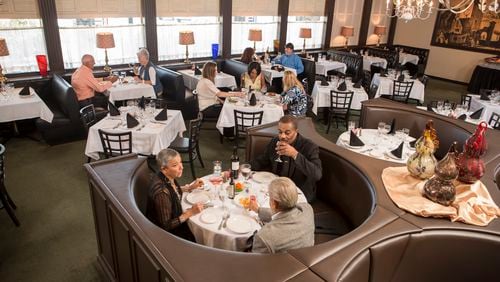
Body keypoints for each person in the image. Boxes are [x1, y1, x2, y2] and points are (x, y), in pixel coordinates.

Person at [250, 115, 322, 202]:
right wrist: (243, 167)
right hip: (277, 190)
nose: (282, 136)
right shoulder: (275, 142)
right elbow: (262, 160)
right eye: (280, 132)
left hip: (298, 193)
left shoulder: (309, 146)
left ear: (296, 131)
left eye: (287, 133)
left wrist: (295, 155)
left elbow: (317, 174)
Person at [146, 149, 205, 241]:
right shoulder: (162, 193)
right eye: (175, 165)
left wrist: (189, 188)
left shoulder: (165, 177)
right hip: (167, 235)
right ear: (164, 169)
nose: (181, 167)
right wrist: (189, 213)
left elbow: (172, 191)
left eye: (180, 162)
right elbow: (166, 226)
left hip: (175, 219)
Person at [249, 177, 314, 254]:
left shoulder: (264, 237)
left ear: (274, 204)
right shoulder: (307, 209)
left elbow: (255, 262)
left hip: (282, 265)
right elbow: (286, 214)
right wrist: (258, 210)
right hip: (307, 257)